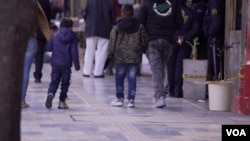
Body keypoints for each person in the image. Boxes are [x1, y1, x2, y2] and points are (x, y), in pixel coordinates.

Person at [137, 0, 183, 108]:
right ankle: (157, 95)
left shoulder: (146, 2)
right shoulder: (174, 2)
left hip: (151, 40)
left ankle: (160, 96)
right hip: (168, 40)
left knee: (157, 70)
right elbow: (180, 22)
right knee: (161, 69)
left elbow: (139, 22)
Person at [108, 4, 148, 108]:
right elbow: (144, 40)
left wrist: (110, 53)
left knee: (119, 77)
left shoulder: (117, 26)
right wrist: (143, 50)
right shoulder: (140, 26)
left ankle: (120, 99)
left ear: (122, 13)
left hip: (120, 56)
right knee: (132, 77)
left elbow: (112, 42)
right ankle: (131, 100)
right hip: (135, 56)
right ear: (133, 13)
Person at [21, 1, 52, 108]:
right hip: (30, 38)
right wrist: (49, 37)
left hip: (12, 40)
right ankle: (21, 101)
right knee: (25, 70)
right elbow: (42, 19)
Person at [167, 0, 200, 98]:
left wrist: (176, 38)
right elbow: (195, 28)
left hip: (172, 41)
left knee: (171, 65)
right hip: (186, 42)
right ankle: (178, 90)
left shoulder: (170, 11)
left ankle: (171, 90)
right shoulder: (190, 11)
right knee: (180, 65)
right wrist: (185, 37)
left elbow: (166, 27)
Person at [45, 18, 80, 109]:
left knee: (54, 81)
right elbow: (74, 52)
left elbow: (49, 48)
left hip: (55, 64)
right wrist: (77, 65)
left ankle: (51, 94)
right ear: (70, 28)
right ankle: (61, 101)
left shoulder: (55, 36)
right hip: (66, 65)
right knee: (65, 83)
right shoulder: (72, 37)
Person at [82, 0, 116, 78]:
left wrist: (88, 22)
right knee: (102, 51)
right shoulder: (110, 2)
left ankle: (86, 71)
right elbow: (113, 17)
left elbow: (85, 14)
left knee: (89, 50)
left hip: (91, 28)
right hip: (105, 29)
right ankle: (98, 72)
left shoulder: (90, 1)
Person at [203, 0, 225, 81]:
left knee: (215, 61)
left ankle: (216, 82)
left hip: (214, 37)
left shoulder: (214, 3)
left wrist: (210, 33)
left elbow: (216, 21)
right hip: (214, 35)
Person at [33, 0, 51, 83]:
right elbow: (49, 17)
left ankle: (36, 74)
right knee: (40, 53)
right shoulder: (46, 2)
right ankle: (38, 75)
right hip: (42, 30)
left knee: (34, 53)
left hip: (33, 30)